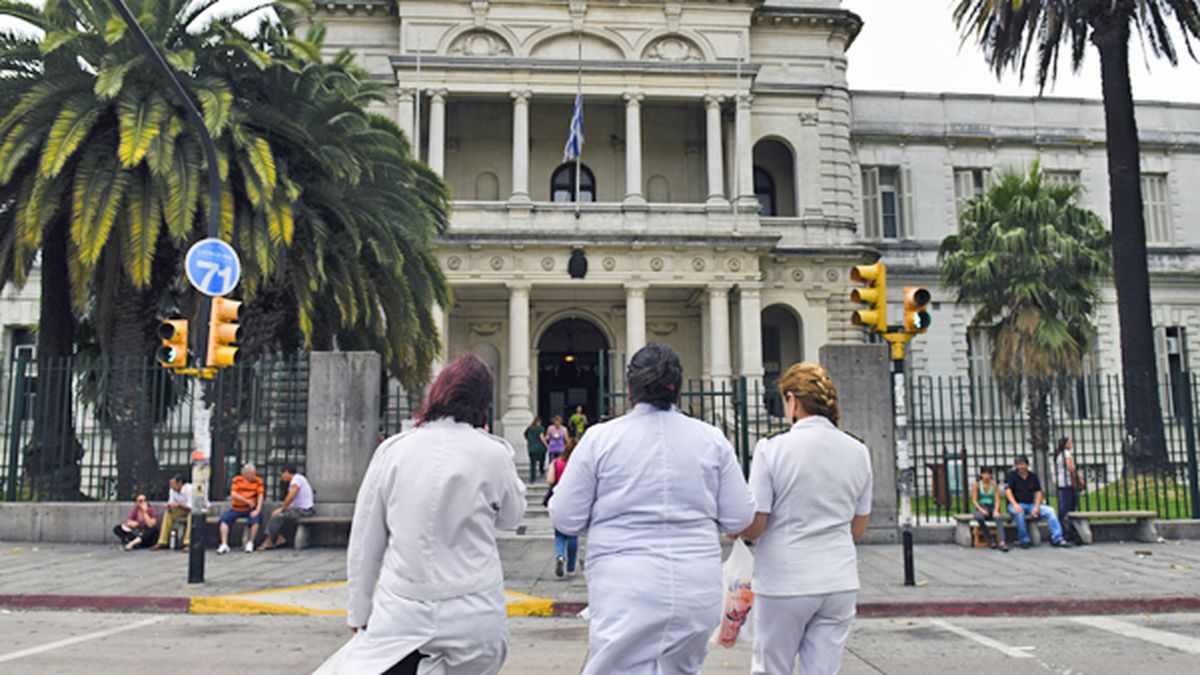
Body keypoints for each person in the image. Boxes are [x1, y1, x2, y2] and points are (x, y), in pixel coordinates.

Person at [549, 342, 756, 675]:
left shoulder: (601, 439)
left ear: (630, 388)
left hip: (625, 585)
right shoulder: (711, 438)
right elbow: (739, 516)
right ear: (678, 388)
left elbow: (565, 515)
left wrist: (603, 521)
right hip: (696, 584)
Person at [315, 353, 526, 675]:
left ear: (437, 393)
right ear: (484, 402)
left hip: (403, 609)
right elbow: (512, 518)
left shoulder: (395, 450)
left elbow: (365, 542)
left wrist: (359, 612)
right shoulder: (494, 453)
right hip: (476, 610)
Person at [736, 362, 873, 675]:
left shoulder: (772, 448)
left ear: (792, 401)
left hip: (785, 580)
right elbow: (859, 527)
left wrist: (737, 527)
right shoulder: (857, 450)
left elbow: (757, 525)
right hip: (839, 581)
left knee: (772, 668)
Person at [1005, 455, 1070, 549]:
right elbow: (1008, 491)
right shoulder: (1011, 476)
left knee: (1050, 511)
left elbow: (1038, 492)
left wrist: (1036, 506)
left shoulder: (1033, 476)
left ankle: (1057, 538)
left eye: (1022, 464)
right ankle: (1024, 539)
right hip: (1017, 504)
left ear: (1027, 465)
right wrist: (1015, 505)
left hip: (1031, 504)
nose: (1020, 467)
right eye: (1018, 464)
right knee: (1018, 513)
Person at [258, 465, 316, 551]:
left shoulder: (297, 479)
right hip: (298, 509)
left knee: (278, 516)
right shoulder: (297, 479)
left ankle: (269, 541)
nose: (281, 477)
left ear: (287, 472)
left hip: (304, 510)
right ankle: (279, 537)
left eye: (282, 474)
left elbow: (291, 496)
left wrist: (283, 508)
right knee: (275, 514)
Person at [217, 463, 264, 555]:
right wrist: (247, 501)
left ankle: (250, 542)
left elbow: (260, 496)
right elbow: (234, 494)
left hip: (250, 509)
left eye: (255, 473)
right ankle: (224, 544)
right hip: (237, 508)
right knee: (224, 520)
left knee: (255, 519)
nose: (254, 476)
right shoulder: (237, 480)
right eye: (252, 474)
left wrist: (257, 510)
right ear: (245, 474)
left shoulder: (258, 481)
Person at [546, 443, 578, 578]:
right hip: (574, 500)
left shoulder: (556, 462)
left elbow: (549, 480)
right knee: (572, 534)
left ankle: (560, 556)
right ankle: (570, 567)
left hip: (559, 499)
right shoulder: (578, 465)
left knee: (559, 533)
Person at [151, 475, 193, 551]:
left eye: (173, 484)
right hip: (182, 509)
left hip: (197, 508)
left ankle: (188, 543)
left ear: (179, 483)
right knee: (168, 514)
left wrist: (178, 505)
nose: (171, 486)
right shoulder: (172, 490)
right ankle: (162, 541)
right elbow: (171, 502)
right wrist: (169, 507)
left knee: (192, 516)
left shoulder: (190, 489)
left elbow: (191, 507)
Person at [971, 467, 1008, 552]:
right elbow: (974, 500)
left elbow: (997, 499)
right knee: (980, 518)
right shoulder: (977, 484)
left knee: (998, 518)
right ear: (981, 475)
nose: (986, 476)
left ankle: (1002, 541)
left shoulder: (993, 485)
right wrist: (981, 510)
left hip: (991, 506)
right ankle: (990, 539)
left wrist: (996, 510)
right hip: (981, 506)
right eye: (984, 474)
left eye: (988, 474)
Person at [1055, 437, 1082, 543]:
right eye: (1070, 442)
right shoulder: (1066, 454)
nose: (1071, 444)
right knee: (1068, 507)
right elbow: (1071, 468)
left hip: (1062, 482)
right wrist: (1076, 480)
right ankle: (1065, 530)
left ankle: (1064, 528)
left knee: (1065, 506)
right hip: (1067, 483)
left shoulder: (1059, 455)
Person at [524, 416, 547, 483]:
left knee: (532, 464)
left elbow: (525, 436)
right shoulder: (540, 429)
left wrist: (531, 441)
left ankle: (532, 479)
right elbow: (542, 437)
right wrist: (547, 445)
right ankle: (542, 471)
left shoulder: (529, 429)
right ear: (539, 422)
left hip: (531, 448)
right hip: (540, 448)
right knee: (542, 461)